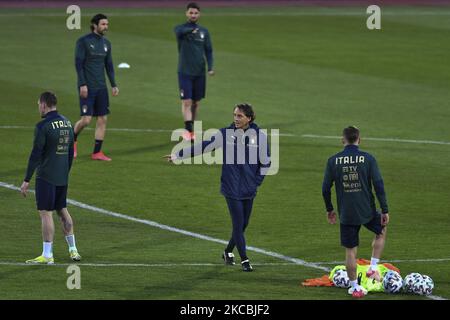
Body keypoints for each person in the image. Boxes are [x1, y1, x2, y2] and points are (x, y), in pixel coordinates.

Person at [166, 104, 270, 271]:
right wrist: (178, 154)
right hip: (231, 187)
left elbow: (266, 162)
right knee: (238, 225)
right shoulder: (225, 134)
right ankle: (245, 260)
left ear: (249, 118)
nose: (236, 118)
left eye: (240, 116)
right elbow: (204, 146)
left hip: (249, 188)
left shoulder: (259, 136)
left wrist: (257, 181)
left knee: (243, 225)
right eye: (234, 115)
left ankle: (228, 251)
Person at [322, 126, 389, 298]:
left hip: (346, 213)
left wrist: (330, 209)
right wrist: (385, 209)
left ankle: (354, 288)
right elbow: (378, 185)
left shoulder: (333, 161)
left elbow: (325, 189)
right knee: (381, 231)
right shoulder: (368, 158)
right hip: (367, 210)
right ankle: (373, 268)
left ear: (342, 140)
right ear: (359, 140)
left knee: (351, 251)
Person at [20, 92, 81, 264]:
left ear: (44, 105)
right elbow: (70, 151)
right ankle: (73, 250)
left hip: (46, 176)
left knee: (45, 213)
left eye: (39, 104)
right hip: (62, 176)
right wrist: (65, 172)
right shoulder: (68, 123)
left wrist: (26, 179)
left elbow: (36, 155)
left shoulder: (43, 126)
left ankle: (47, 254)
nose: (39, 107)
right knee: (62, 209)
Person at [73, 13, 119, 161]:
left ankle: (97, 152)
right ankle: (72, 140)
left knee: (102, 119)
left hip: (101, 88)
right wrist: (82, 84)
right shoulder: (83, 42)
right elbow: (78, 65)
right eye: (103, 24)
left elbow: (109, 66)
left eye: (107, 24)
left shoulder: (107, 44)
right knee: (86, 120)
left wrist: (113, 84)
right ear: (95, 25)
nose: (106, 27)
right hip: (88, 87)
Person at [174, 2, 214, 141]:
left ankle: (192, 128)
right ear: (186, 14)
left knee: (196, 103)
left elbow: (208, 50)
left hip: (199, 73)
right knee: (186, 102)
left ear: (199, 14)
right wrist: (191, 30)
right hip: (185, 72)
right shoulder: (181, 29)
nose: (193, 15)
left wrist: (210, 67)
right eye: (191, 13)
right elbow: (178, 32)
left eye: (196, 13)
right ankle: (188, 130)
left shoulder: (204, 31)